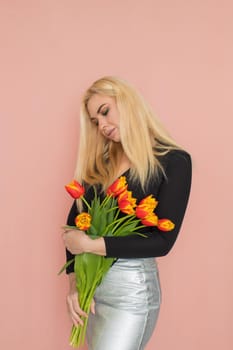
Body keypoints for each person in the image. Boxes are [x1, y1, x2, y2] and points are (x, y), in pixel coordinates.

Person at [62, 76, 192, 350]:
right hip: (93, 292)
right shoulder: (103, 165)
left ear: (127, 102)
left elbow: (162, 241)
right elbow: (74, 221)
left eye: (105, 111)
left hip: (131, 293)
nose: (103, 126)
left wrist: (90, 244)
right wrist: (75, 284)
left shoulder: (173, 161)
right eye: (96, 122)